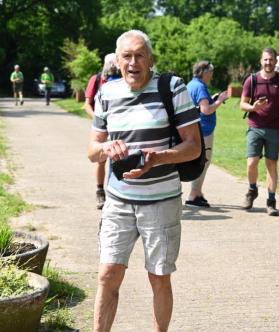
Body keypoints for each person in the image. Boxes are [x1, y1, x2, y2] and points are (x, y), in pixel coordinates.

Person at [87, 30, 201, 331]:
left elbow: (194, 146)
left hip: (160, 203)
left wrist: (159, 158)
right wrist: (105, 149)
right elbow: (92, 151)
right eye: (127, 56)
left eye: (140, 55)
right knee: (108, 274)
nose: (133, 62)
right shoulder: (106, 93)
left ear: (150, 59)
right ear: (117, 60)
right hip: (119, 202)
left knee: (159, 277)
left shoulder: (172, 87)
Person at [240, 47, 279, 216]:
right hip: (255, 126)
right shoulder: (252, 80)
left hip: (274, 128)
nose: (268, 62)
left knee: (271, 165)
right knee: (251, 163)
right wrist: (253, 107)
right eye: (265, 59)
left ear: (276, 61)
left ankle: (271, 202)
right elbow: (242, 104)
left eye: (271, 59)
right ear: (261, 61)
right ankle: (252, 190)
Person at [185, 60, 227, 208]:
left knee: (199, 161)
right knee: (203, 162)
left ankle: (198, 192)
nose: (212, 74)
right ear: (203, 72)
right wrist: (220, 100)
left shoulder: (191, 84)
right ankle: (193, 195)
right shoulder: (201, 87)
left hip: (194, 128)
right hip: (204, 130)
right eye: (210, 71)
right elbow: (206, 110)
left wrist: (212, 99)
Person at [84, 53, 121, 210]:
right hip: (102, 127)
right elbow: (87, 105)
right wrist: (100, 121)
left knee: (119, 158)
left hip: (118, 127)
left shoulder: (123, 80)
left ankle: (116, 194)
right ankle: (100, 191)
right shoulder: (97, 80)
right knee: (101, 159)